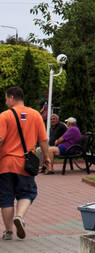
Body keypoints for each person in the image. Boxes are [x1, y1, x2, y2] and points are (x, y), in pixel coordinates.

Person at [0, 85, 52, 240]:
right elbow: (43, 139)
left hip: (6, 164)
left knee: (6, 198)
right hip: (25, 164)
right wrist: (47, 157)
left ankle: (8, 232)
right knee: (27, 193)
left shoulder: (4, 116)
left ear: (11, 97)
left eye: (6, 98)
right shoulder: (35, 115)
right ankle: (20, 216)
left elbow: (0, 139)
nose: (5, 101)